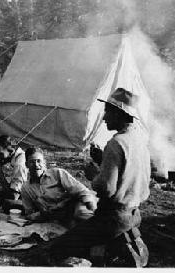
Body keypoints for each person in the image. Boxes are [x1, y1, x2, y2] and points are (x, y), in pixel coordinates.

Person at [48, 88, 150, 267]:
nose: (104, 118)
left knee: (58, 249)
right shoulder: (139, 140)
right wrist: (103, 160)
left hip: (113, 219)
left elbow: (106, 189)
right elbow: (130, 171)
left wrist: (94, 176)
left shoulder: (116, 143)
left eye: (108, 112)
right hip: (134, 215)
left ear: (120, 113)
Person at [21, 147, 96, 227]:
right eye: (32, 162)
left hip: (73, 207)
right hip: (57, 217)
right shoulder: (26, 188)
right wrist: (41, 214)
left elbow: (81, 191)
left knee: (82, 215)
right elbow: (29, 213)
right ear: (26, 165)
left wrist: (91, 207)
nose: (36, 165)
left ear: (44, 162)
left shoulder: (57, 173)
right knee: (71, 231)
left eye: (39, 161)